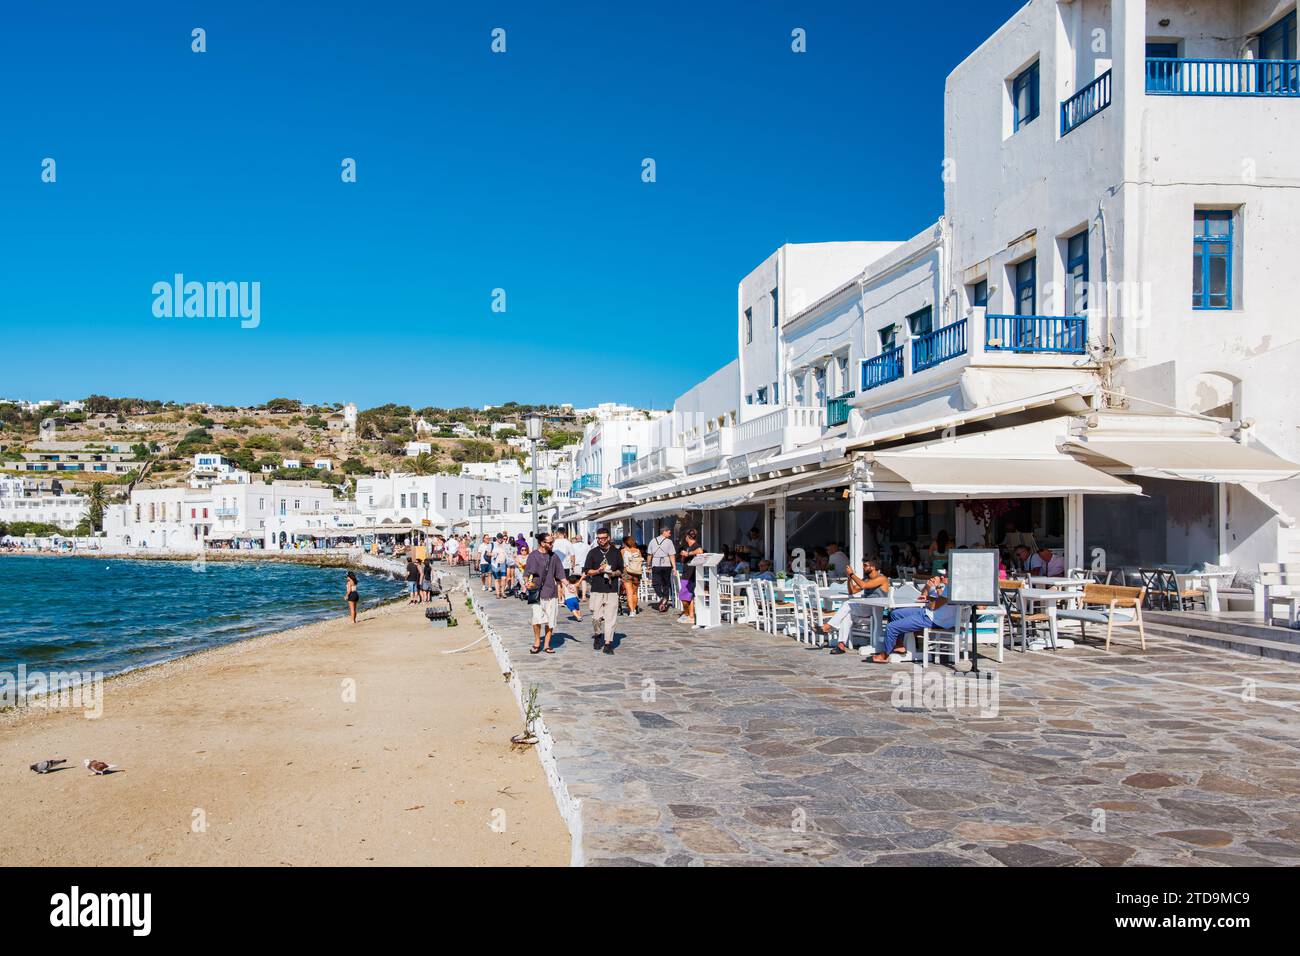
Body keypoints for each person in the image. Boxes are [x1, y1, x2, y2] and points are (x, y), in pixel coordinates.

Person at [879, 574, 961, 664]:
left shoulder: (950, 589)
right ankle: (899, 644)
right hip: (929, 613)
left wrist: (931, 597)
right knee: (895, 614)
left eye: (945, 575)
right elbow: (939, 601)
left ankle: (885, 655)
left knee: (891, 627)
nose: (941, 577)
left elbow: (934, 605)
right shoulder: (954, 587)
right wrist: (929, 597)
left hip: (934, 619)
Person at [822, 559, 892, 655]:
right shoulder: (866, 578)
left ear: (873, 567)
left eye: (865, 565)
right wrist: (849, 578)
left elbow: (864, 585)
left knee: (847, 604)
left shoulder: (882, 578)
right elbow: (853, 591)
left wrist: (852, 574)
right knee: (846, 616)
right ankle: (841, 645)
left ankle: (828, 626)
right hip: (866, 608)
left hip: (876, 608)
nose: (863, 567)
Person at [523, 532, 567, 654]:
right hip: (537, 593)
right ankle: (537, 641)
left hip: (551, 592)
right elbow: (527, 573)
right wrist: (527, 582)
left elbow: (560, 575)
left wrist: (568, 585)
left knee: (550, 621)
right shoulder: (533, 556)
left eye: (552, 542)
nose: (552, 544)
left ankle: (547, 644)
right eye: (550, 542)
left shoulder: (554, 557)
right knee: (536, 619)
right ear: (542, 543)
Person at [582, 527, 623, 654]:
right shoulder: (593, 552)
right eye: (599, 538)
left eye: (603, 538)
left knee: (611, 617)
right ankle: (598, 634)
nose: (601, 541)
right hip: (597, 589)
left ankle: (608, 643)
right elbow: (587, 571)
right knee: (596, 617)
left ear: (608, 538)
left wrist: (612, 573)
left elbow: (621, 570)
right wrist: (598, 571)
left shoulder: (616, 552)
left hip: (611, 589)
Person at [677, 529, 704, 625]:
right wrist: (683, 556)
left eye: (686, 536)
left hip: (690, 574)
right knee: (689, 595)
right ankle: (690, 615)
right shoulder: (687, 546)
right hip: (686, 572)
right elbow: (684, 559)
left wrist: (688, 554)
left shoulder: (696, 545)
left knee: (684, 595)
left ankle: (687, 613)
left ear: (688, 537)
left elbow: (700, 551)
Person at [646, 526, 675, 613]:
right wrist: (674, 567)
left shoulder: (652, 541)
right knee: (666, 583)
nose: (670, 533)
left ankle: (662, 598)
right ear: (664, 532)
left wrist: (648, 564)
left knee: (655, 583)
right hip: (666, 564)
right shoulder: (669, 542)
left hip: (656, 564)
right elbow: (672, 555)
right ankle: (664, 599)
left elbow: (649, 554)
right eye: (669, 532)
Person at [620, 535, 643, 617]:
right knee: (635, 593)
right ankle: (634, 608)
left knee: (629, 593)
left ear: (624, 543)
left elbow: (620, 562)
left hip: (627, 572)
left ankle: (632, 611)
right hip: (637, 573)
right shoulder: (638, 550)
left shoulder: (623, 551)